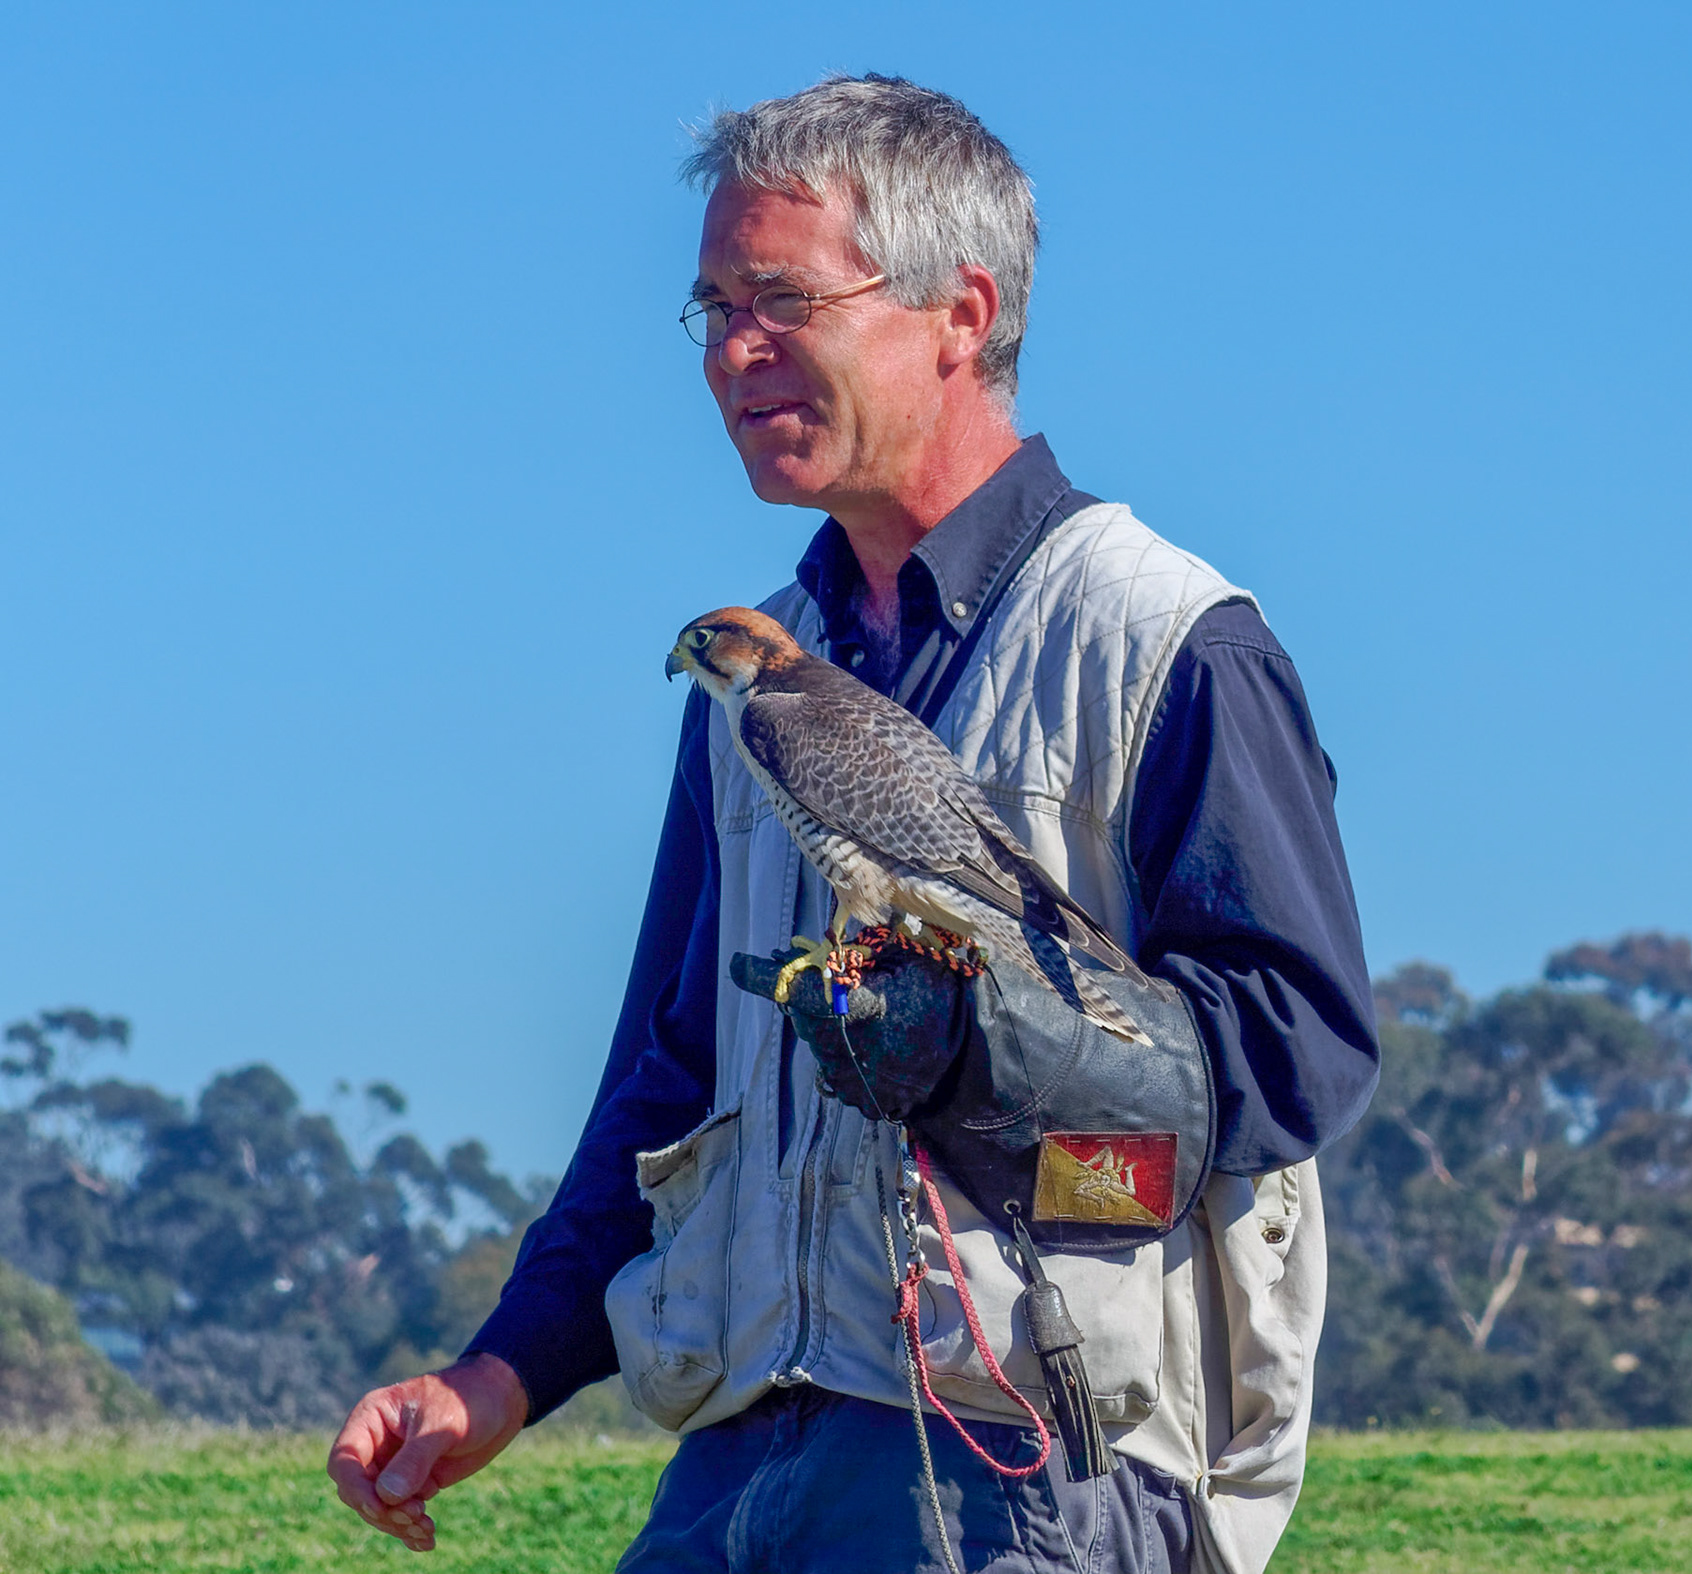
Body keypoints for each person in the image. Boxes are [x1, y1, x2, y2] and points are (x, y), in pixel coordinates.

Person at [328, 73, 1378, 1574]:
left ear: (959, 313)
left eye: (778, 298)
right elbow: (665, 1075)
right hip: (740, 1462)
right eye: (710, 309)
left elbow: (1301, 1045)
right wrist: (499, 1371)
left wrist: (998, 1047)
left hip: (1031, 1468)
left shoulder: (1163, 636)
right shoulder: (752, 672)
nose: (733, 350)